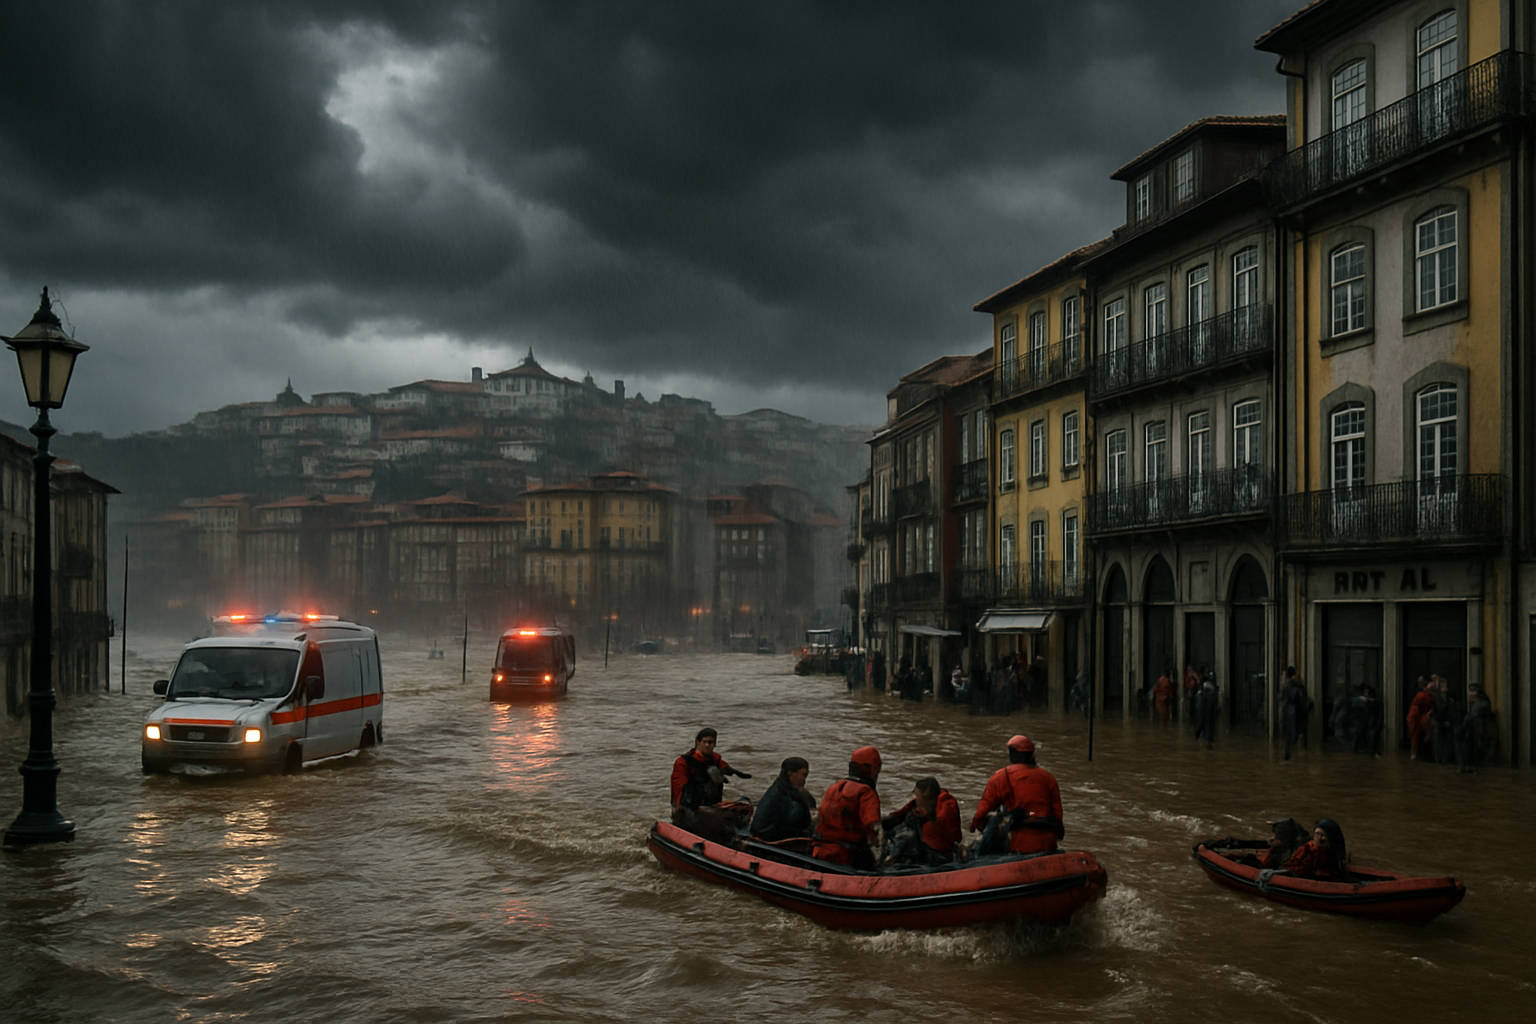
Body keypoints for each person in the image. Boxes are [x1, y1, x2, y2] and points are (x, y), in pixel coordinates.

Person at [970, 735, 1064, 855]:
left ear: (1012, 754)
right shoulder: (1048, 778)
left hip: (1017, 843)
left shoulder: (1001, 776)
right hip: (1047, 842)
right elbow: (1058, 815)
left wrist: (975, 826)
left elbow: (982, 811)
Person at [670, 728, 752, 841]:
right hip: (691, 808)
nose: (708, 745)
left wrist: (733, 772)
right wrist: (684, 807)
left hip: (711, 805)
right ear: (698, 742)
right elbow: (679, 786)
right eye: (705, 742)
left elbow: (724, 767)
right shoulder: (684, 762)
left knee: (744, 805)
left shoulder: (715, 759)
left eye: (711, 742)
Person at [812, 746, 883, 868]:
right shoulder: (866, 793)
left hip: (820, 851)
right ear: (873, 769)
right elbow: (874, 829)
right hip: (846, 857)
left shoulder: (834, 787)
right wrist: (880, 860)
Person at [880, 776, 962, 866]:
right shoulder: (918, 804)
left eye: (916, 794)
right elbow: (901, 814)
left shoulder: (947, 806)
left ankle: (892, 859)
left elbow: (950, 833)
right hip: (925, 846)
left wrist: (925, 818)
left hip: (938, 852)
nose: (914, 797)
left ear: (928, 798)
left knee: (911, 825)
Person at [750, 757, 816, 847]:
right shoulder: (780, 794)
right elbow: (786, 824)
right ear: (790, 773)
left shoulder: (787, 790)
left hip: (774, 833)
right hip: (773, 838)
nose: (805, 779)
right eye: (803, 775)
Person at [1284, 819, 1349, 881]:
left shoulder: (1332, 851)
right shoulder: (1306, 849)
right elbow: (1292, 867)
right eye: (1317, 834)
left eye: (1322, 835)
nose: (1319, 838)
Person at [1459, 684, 1494, 770]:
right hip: (1472, 730)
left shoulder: (1482, 704)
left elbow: (1472, 717)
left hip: (1478, 730)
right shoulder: (1476, 705)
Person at [1278, 667, 1310, 760]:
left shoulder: (1288, 686)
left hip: (1291, 712)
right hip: (1293, 712)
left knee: (1290, 733)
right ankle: (1292, 750)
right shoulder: (1296, 686)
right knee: (1292, 733)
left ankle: (1289, 751)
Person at [1407, 676, 1435, 760]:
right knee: (1414, 733)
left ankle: (1429, 753)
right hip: (1416, 714)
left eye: (1422, 682)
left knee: (1428, 732)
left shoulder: (1429, 692)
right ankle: (1414, 752)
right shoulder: (1418, 693)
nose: (1420, 684)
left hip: (1425, 714)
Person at [1194, 670, 1221, 748]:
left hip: (1204, 713)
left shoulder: (1203, 689)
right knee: (1208, 727)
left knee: (1203, 727)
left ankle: (1203, 743)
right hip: (1208, 713)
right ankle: (1207, 743)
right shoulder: (1213, 689)